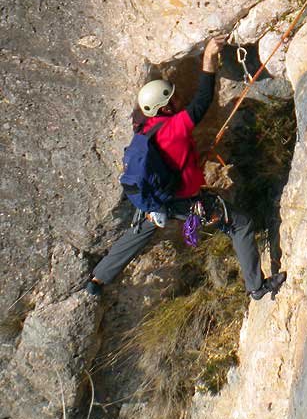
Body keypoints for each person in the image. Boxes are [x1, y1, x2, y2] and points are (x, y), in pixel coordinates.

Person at [87, 35, 286, 301]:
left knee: (140, 232)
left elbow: (171, 157)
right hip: (183, 201)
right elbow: (203, 100)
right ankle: (256, 287)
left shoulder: (145, 128)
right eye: (173, 96)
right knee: (240, 224)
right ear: (165, 105)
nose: (178, 97)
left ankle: (98, 278)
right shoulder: (174, 127)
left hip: (157, 200)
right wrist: (209, 57)